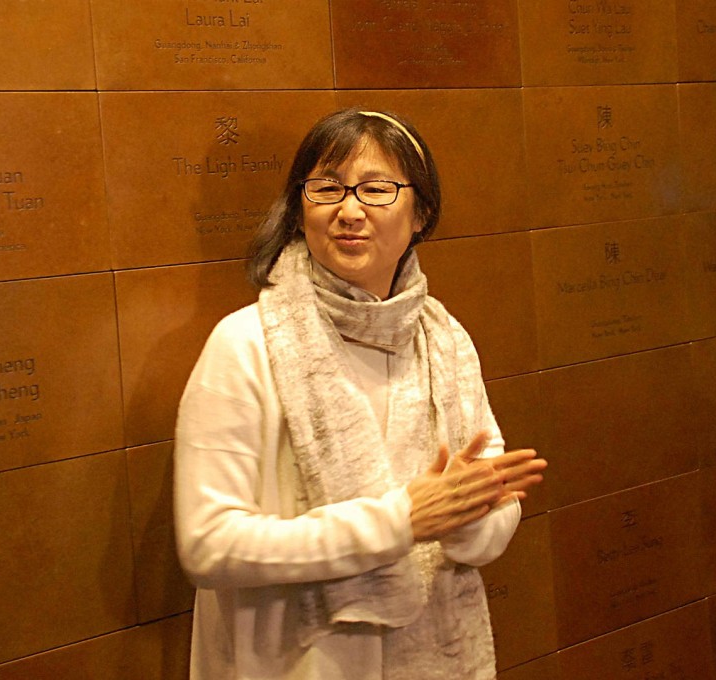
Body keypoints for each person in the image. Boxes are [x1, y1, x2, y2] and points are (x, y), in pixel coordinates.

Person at [174, 108, 547, 680]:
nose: (350, 211)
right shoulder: (245, 344)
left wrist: (464, 518)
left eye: (376, 189)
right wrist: (398, 521)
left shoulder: (444, 340)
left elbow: (494, 510)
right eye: (327, 189)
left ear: (421, 212)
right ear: (300, 211)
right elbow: (208, 544)